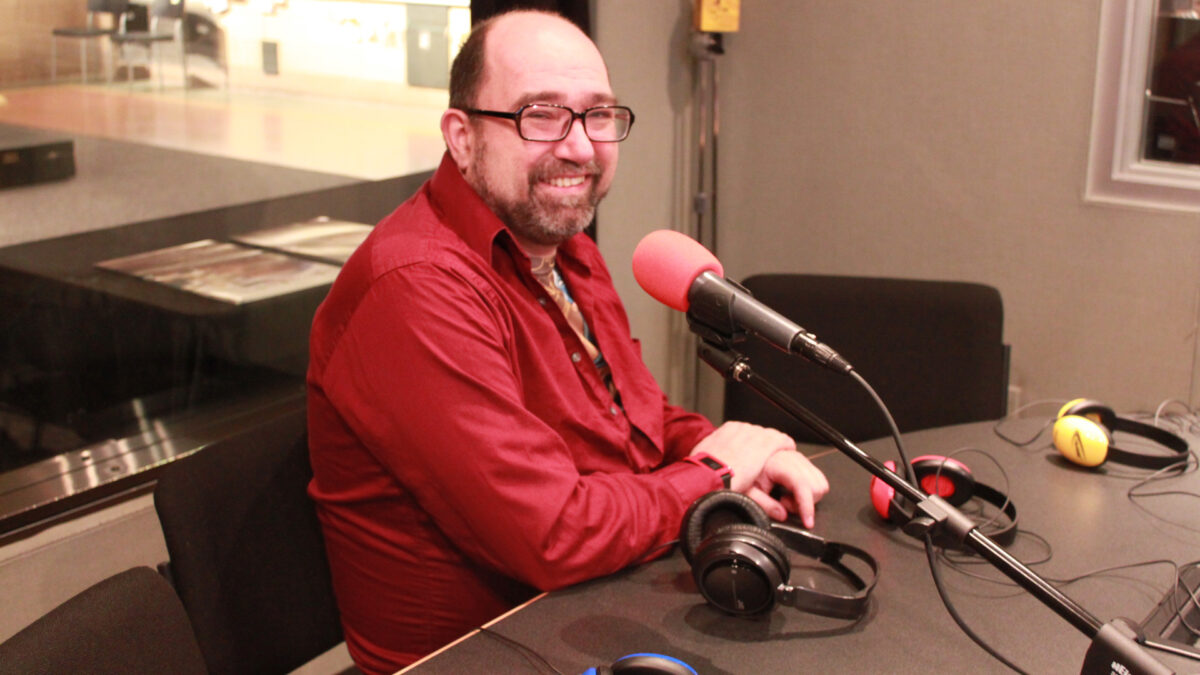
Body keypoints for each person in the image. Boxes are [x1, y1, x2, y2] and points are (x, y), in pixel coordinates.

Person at [306, 9, 829, 674]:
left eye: (599, 115)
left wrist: (719, 451)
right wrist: (716, 473)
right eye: (541, 114)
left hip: (592, 605)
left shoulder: (565, 247)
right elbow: (551, 533)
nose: (581, 146)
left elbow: (633, 419)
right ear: (461, 138)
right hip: (486, 652)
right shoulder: (415, 287)